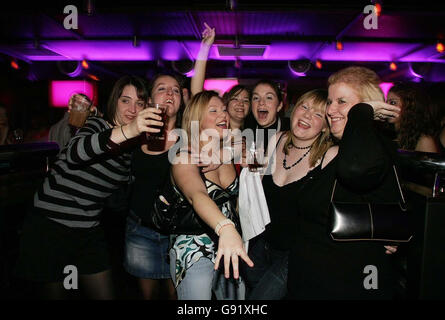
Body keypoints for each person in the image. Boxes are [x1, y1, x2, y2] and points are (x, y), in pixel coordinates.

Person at [15, 75, 164, 299]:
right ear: (114, 101)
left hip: (88, 231)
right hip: (51, 226)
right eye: (125, 100)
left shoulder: (132, 148)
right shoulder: (97, 125)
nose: (132, 109)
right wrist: (130, 129)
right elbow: (75, 154)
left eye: (139, 103)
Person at [287, 66, 402, 300]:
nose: (331, 109)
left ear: (368, 107)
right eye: (330, 102)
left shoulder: (375, 149)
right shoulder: (338, 150)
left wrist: (362, 113)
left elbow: (356, 170)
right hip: (312, 279)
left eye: (342, 101)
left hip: (347, 283)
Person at [242, 89, 333, 300]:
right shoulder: (277, 139)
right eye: (304, 106)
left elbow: (366, 176)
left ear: (326, 127)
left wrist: (379, 231)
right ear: (294, 110)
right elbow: (256, 176)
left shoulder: (329, 155)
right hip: (259, 245)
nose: (308, 115)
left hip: (295, 254)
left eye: (318, 114)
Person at [169, 90, 253, 300]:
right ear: (196, 119)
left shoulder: (229, 149)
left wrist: (231, 153)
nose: (223, 115)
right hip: (194, 247)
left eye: (223, 110)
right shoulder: (185, 156)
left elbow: (253, 154)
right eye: (213, 111)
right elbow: (197, 196)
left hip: (231, 244)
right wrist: (225, 227)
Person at [123, 72, 184, 300]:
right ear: (149, 101)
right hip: (140, 231)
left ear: (182, 101)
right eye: (162, 88)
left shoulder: (190, 136)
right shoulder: (133, 134)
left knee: (177, 297)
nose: (169, 93)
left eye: (175, 90)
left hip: (177, 234)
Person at [386, 82, 440, 153]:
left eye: (393, 102)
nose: (387, 106)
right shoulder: (389, 135)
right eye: (386, 102)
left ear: (409, 107)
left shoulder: (424, 140)